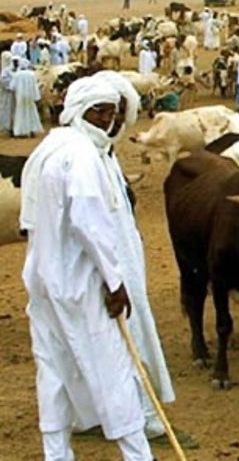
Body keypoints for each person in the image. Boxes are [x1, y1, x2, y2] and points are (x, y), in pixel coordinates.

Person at [19, 74, 157, 460]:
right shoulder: (81, 155)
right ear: (85, 112)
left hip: (44, 280)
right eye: (103, 114)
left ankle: (57, 453)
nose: (108, 123)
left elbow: (29, 218)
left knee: (54, 372)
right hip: (81, 284)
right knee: (111, 369)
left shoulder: (48, 148)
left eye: (112, 115)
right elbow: (89, 223)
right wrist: (115, 282)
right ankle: (138, 454)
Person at [9, 59, 43, 138]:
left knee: (20, 113)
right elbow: (35, 86)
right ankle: (31, 130)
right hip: (30, 96)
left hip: (20, 96)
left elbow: (12, 87)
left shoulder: (16, 74)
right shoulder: (32, 74)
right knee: (31, 113)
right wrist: (37, 97)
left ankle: (20, 131)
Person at [0, 51, 14, 135]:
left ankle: (9, 127)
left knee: (8, 110)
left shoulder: (6, 70)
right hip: (8, 94)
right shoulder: (7, 71)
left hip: (8, 94)